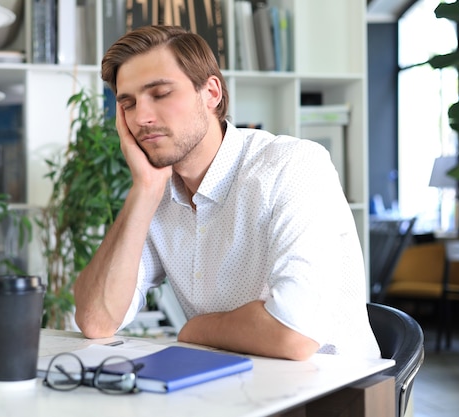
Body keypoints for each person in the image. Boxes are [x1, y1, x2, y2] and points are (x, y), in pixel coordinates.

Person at [73, 25, 380, 361]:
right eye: (127, 104)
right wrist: (143, 189)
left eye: (160, 94)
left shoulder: (293, 166)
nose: (141, 117)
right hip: (230, 389)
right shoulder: (157, 195)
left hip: (335, 396)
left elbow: (294, 334)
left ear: (211, 93)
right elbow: (96, 321)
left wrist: (197, 330)